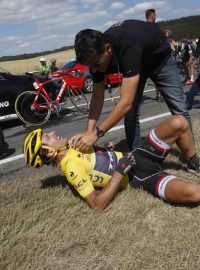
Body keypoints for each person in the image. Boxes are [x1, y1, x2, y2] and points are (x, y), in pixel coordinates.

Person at [23, 115, 200, 211]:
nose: (53, 132)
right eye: (47, 137)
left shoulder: (72, 144)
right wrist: (118, 174)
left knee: (179, 122)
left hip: (137, 154)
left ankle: (194, 163)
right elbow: (97, 205)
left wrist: (108, 148)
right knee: (195, 193)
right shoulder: (72, 170)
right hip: (138, 176)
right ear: (47, 153)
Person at [73, 21, 191, 151]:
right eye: (89, 66)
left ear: (108, 48)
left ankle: (192, 157)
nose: (93, 71)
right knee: (130, 115)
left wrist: (97, 134)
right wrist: (88, 131)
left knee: (179, 108)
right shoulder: (95, 58)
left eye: (96, 64)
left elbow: (126, 102)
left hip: (159, 59)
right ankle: (135, 156)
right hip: (136, 65)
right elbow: (97, 97)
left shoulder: (127, 44)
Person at [145, 9, 163, 102]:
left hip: (145, 59)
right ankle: (159, 96)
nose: (155, 17)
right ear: (152, 16)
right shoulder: (155, 27)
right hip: (155, 59)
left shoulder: (143, 27)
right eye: (155, 16)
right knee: (159, 79)